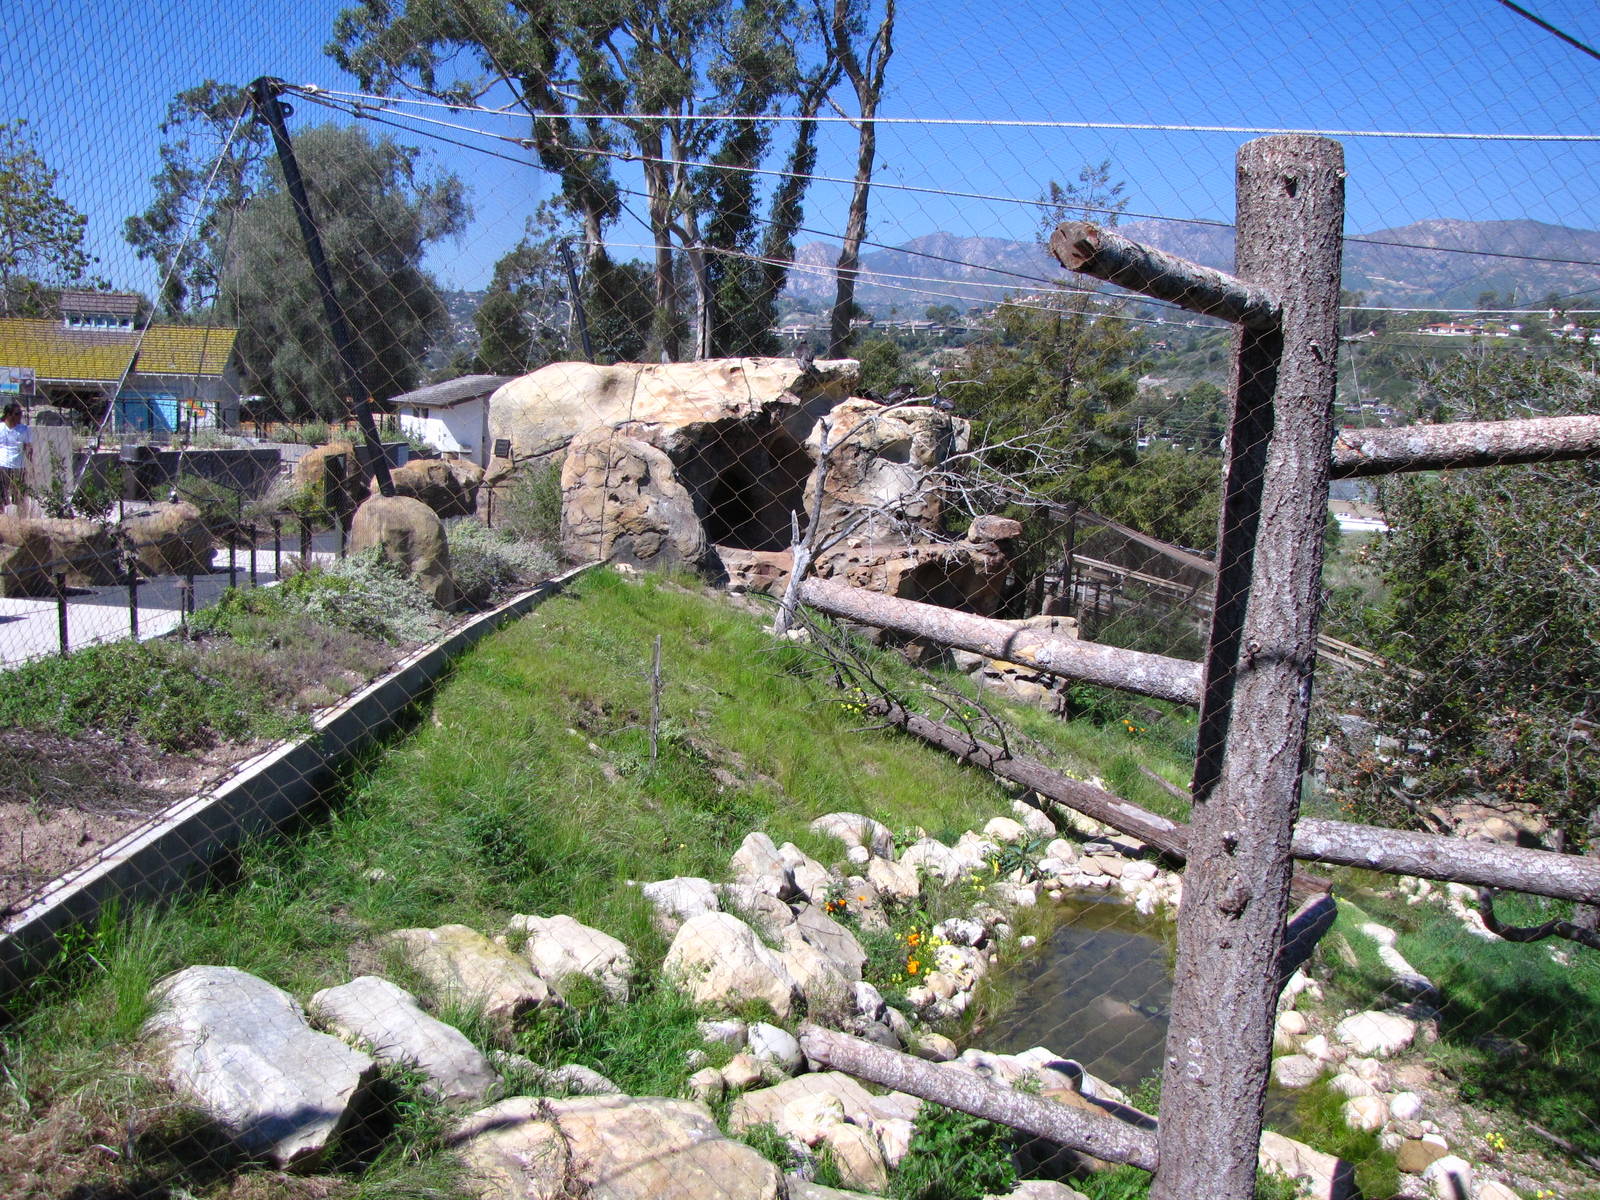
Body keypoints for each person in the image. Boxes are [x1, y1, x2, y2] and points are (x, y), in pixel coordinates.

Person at [0, 403, 31, 513]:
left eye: (21, 414)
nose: (20, 416)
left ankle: (20, 520)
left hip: (19, 466)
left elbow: (28, 447)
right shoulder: (1, 428)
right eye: (17, 414)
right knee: (1, 495)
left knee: (19, 496)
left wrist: (31, 464)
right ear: (8, 415)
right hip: (2, 465)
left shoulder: (24, 429)